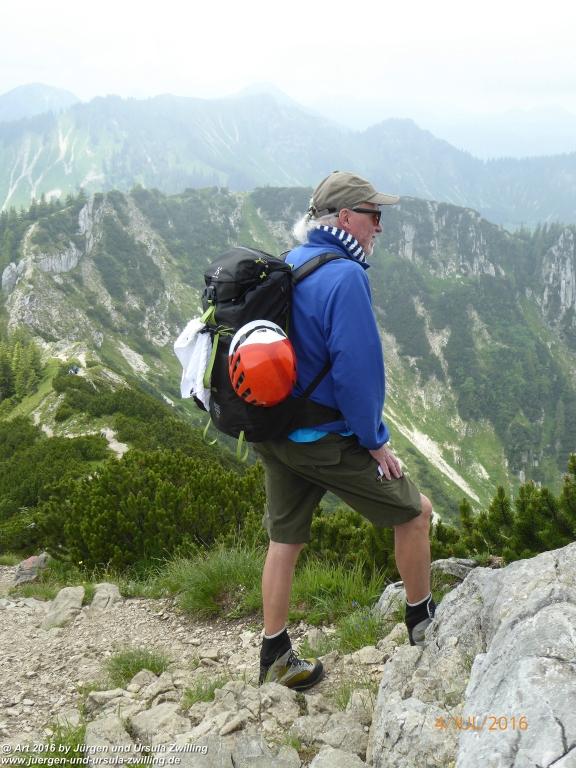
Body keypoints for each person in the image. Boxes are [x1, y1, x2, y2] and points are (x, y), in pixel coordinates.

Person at [254, 171, 435, 691]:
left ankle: (275, 656)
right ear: (347, 217)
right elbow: (356, 372)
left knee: (284, 539)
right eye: (374, 215)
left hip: (278, 430)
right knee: (415, 512)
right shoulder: (347, 276)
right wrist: (375, 441)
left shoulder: (293, 261)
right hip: (322, 439)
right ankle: (423, 624)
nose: (379, 226)